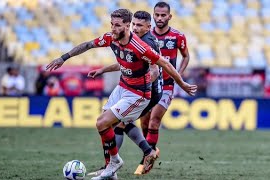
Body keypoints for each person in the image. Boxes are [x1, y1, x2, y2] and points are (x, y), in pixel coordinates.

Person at [46, 9, 197, 180]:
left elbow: (163, 64)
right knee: (108, 124)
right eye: (111, 24)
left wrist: (181, 83)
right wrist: (63, 58)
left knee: (104, 123)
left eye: (117, 25)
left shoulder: (141, 45)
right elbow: (89, 45)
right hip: (123, 86)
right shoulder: (111, 38)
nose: (113, 28)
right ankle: (112, 169)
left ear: (127, 26)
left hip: (138, 94)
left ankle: (121, 161)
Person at [86, 10, 163, 178]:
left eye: (139, 25)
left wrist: (139, 88)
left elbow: (155, 70)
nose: (135, 28)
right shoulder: (131, 39)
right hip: (136, 88)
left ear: (148, 27)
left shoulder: (145, 42)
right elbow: (125, 63)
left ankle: (114, 165)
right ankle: (139, 154)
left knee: (116, 123)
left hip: (147, 89)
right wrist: (103, 70)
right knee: (117, 123)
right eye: (134, 24)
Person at [134, 1, 191, 174]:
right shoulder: (145, 36)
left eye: (163, 15)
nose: (159, 18)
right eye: (157, 15)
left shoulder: (177, 37)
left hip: (166, 84)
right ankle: (151, 149)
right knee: (144, 122)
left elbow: (186, 56)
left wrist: (177, 76)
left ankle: (146, 161)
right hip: (148, 84)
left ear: (169, 16)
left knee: (154, 120)